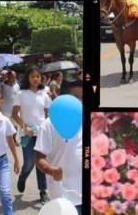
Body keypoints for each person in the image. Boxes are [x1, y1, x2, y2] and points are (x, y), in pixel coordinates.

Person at [35, 80, 83, 214]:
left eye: (83, 98)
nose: (80, 102)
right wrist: (51, 170)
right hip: (64, 197)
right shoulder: (49, 124)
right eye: (76, 97)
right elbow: (39, 157)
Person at [11, 67, 51, 205]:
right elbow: (14, 114)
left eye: (38, 76)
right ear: (27, 78)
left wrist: (47, 127)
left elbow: (48, 113)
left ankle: (43, 191)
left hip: (41, 134)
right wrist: (24, 127)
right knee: (29, 163)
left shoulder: (44, 94)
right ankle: (23, 177)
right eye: (33, 76)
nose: (35, 79)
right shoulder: (21, 93)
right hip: (26, 134)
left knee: (41, 163)